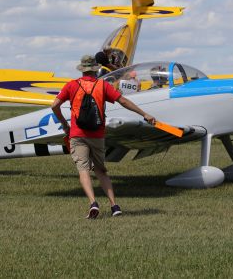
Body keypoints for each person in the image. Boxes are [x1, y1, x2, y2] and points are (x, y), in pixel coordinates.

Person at [51, 54, 156, 219]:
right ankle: (114, 206)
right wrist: (144, 114)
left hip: (77, 134)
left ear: (82, 70)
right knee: (101, 171)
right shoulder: (102, 85)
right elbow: (123, 101)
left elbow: (55, 105)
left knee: (83, 170)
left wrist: (65, 124)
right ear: (95, 69)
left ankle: (93, 203)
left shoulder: (71, 85)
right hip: (97, 134)